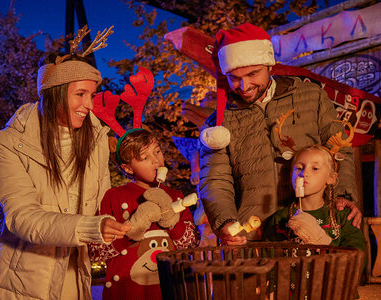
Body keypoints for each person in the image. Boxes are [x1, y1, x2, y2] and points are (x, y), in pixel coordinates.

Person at [0, 26, 131, 300]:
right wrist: (90, 227)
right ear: (55, 93)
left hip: (75, 278)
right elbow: (22, 217)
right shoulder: (11, 143)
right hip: (21, 284)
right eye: (80, 94)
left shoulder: (96, 139)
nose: (89, 104)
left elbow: (102, 204)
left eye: (92, 95)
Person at [198, 22, 362, 246]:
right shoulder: (216, 125)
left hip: (315, 227)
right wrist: (225, 222)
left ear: (270, 65)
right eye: (234, 77)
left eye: (253, 73)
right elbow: (215, 180)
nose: (243, 85)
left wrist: (343, 196)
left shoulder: (311, 96)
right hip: (253, 236)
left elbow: (338, 149)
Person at [88, 129, 200, 300]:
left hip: (168, 289)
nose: (156, 160)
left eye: (157, 151)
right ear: (128, 168)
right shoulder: (114, 196)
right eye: (145, 157)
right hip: (127, 291)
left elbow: (191, 244)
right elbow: (96, 251)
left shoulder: (176, 196)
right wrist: (130, 232)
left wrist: (172, 222)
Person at [263, 145, 366, 253]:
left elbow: (358, 259)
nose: (304, 173)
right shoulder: (278, 219)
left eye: (315, 168)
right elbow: (268, 263)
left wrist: (320, 240)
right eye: (299, 168)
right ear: (290, 175)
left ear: (331, 178)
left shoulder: (343, 216)